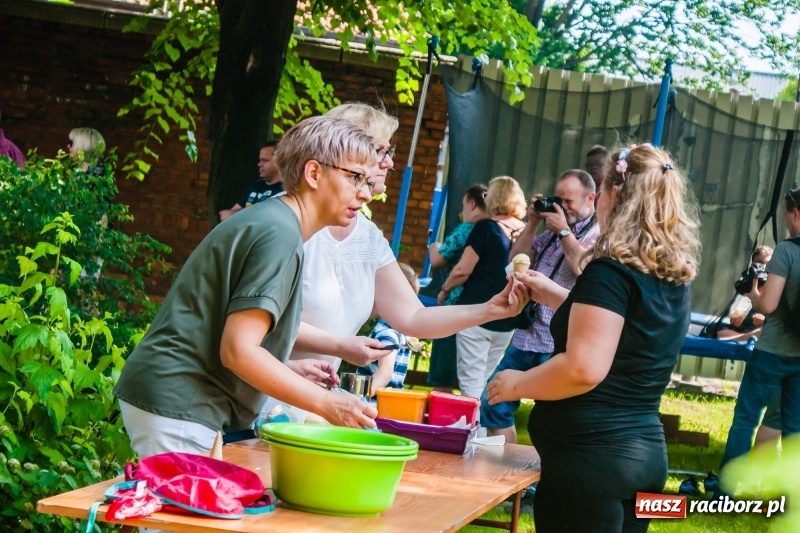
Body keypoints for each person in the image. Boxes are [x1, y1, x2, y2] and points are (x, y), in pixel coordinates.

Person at [113, 116, 382, 458]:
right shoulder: (279, 235)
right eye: (355, 177)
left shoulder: (274, 223)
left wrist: (286, 367)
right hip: (182, 402)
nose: (366, 192)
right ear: (313, 173)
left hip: (182, 398)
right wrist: (328, 404)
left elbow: (223, 329)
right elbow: (238, 351)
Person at [487, 143, 702, 532]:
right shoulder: (672, 274)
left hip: (592, 465)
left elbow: (584, 367)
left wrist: (515, 384)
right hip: (645, 460)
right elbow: (617, 325)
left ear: (615, 196)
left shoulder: (610, 271)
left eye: (601, 189)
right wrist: (552, 293)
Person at [268, 103, 528, 422]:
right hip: (265, 399)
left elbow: (414, 316)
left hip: (312, 403)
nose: (389, 162)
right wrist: (343, 346)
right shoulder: (285, 223)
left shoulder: (368, 237)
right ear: (341, 152)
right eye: (381, 150)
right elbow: (260, 325)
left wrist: (488, 309)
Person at [481, 169, 600, 443]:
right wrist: (533, 223)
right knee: (493, 402)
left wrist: (564, 231)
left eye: (567, 201)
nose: (560, 207)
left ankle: (540, 475)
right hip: (527, 336)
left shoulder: (597, 235)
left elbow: (584, 270)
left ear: (590, 198)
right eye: (556, 199)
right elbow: (516, 259)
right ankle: (505, 473)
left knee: (551, 419)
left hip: (558, 342)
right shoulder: (549, 233)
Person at [720, 187, 800, 476]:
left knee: (746, 419)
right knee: (794, 428)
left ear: (795, 213)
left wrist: (754, 294)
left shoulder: (787, 251)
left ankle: (727, 490)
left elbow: (767, 305)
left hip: (772, 352)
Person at [440, 176, 527, 399]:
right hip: (508, 318)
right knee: (486, 383)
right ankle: (484, 430)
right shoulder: (526, 230)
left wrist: (445, 290)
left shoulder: (486, 227)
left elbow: (462, 270)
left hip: (476, 313)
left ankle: (472, 432)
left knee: (470, 385)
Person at [427, 184, 488, 392]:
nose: (462, 212)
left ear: (472, 203)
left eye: (463, 205)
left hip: (455, 308)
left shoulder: (467, 229)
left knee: (441, 379)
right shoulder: (496, 229)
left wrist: (433, 246)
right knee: (474, 379)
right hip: (481, 312)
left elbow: (438, 260)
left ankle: (443, 420)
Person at [356, 263, 420, 397]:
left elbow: (385, 373)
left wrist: (360, 397)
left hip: (375, 403)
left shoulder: (387, 333)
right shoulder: (400, 331)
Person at [717, 246, 772, 341]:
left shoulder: (775, 288)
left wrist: (764, 321)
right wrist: (736, 319)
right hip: (743, 331)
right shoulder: (747, 286)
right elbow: (736, 314)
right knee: (720, 330)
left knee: (765, 331)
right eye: (759, 263)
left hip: (763, 332)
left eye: (767, 264)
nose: (763, 267)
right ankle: (744, 339)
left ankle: (743, 339)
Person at [219, 140, 283, 221]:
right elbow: (227, 217)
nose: (259, 164)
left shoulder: (285, 191)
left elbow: (266, 218)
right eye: (260, 160)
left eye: (265, 160)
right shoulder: (255, 186)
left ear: (280, 162)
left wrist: (235, 214)